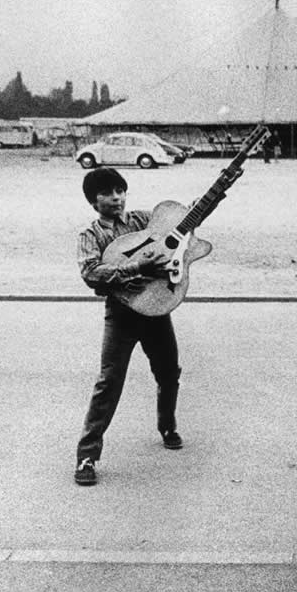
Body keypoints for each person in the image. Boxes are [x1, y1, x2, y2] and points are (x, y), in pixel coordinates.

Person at [74, 167, 184, 486]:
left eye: (121, 191)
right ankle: (86, 456)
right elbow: (91, 273)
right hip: (121, 314)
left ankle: (167, 426)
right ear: (93, 201)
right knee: (108, 383)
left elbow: (175, 225)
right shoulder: (90, 236)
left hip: (156, 309)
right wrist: (136, 266)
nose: (117, 198)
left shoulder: (140, 220)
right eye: (108, 193)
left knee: (168, 373)